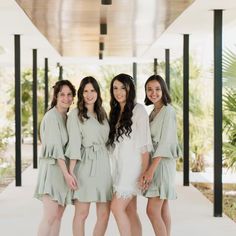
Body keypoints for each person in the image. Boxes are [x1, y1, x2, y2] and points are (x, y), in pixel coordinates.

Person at [65, 76, 112, 236]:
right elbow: (74, 145)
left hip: (104, 166)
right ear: (81, 93)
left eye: (92, 90)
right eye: (85, 91)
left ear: (97, 92)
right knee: (82, 213)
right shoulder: (75, 114)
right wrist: (70, 172)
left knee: (104, 214)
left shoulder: (102, 113)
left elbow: (109, 142)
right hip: (84, 165)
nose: (89, 94)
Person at [107, 73, 152, 236]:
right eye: (115, 88)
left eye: (123, 88)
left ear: (130, 89)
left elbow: (144, 145)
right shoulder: (116, 111)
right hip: (121, 167)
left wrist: (144, 172)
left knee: (116, 207)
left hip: (134, 168)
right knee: (131, 211)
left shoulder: (138, 110)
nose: (118, 92)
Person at [34, 80, 77, 236]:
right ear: (56, 96)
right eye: (62, 94)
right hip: (54, 171)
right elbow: (56, 150)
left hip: (63, 172)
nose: (66, 98)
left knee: (58, 217)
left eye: (69, 94)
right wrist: (67, 175)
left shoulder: (66, 116)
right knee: (50, 216)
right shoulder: (52, 117)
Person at [141, 74, 181, 236]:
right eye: (149, 89)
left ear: (163, 90)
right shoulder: (153, 112)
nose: (153, 93)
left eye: (157, 89)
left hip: (161, 164)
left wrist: (150, 170)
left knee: (152, 210)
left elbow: (165, 143)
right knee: (163, 207)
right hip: (156, 162)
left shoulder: (168, 111)